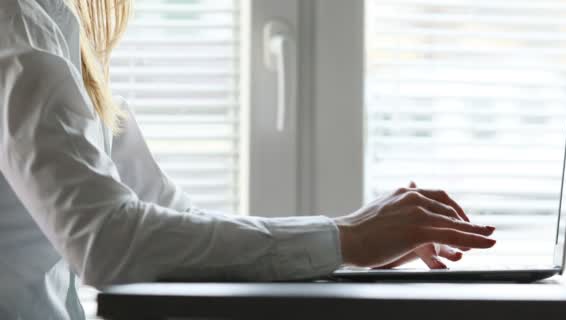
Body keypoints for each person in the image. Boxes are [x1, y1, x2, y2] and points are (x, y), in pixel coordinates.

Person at [0, 0, 496, 319]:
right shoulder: (19, 34)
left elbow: (176, 224)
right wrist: (348, 237)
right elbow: (109, 243)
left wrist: (356, 245)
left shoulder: (53, 34)